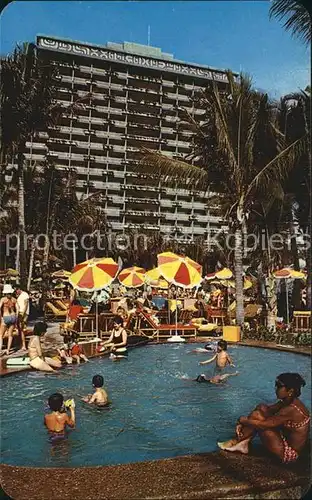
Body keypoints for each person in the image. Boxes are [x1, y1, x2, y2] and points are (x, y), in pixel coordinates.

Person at [218, 373, 310, 464]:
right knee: (261, 407)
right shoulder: (287, 401)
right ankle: (243, 442)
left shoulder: (291, 409)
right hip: (284, 439)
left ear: (290, 391)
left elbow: (263, 425)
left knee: (257, 419)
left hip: (288, 453)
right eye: (275, 385)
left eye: (279, 386)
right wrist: (244, 423)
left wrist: (243, 420)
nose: (275, 389)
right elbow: (266, 409)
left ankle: (238, 440)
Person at [0, 284, 19, 356]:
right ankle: (8, 350)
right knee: (10, 335)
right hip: (13, 317)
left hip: (6, 316)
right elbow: (17, 309)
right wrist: (16, 318)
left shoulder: (3, 299)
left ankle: (0, 350)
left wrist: (1, 317)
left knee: (1, 335)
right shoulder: (14, 299)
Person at [16, 287, 30, 351]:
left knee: (22, 329)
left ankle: (24, 345)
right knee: (19, 329)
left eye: (16, 290)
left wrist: (23, 314)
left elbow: (26, 304)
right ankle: (22, 344)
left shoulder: (25, 294)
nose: (16, 292)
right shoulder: (20, 295)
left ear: (19, 289)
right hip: (20, 312)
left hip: (23, 313)